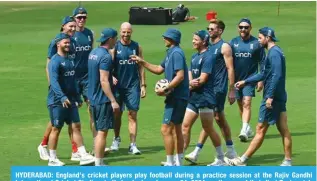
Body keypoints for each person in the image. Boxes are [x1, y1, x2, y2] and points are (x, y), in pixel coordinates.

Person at [226, 27, 292, 166]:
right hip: (279, 96)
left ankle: (242, 160)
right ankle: (287, 161)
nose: (259, 41)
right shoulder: (275, 52)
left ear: (268, 38)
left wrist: (269, 96)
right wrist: (246, 81)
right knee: (283, 128)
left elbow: (276, 76)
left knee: (260, 129)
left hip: (272, 97)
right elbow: (264, 73)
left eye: (260, 38)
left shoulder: (274, 54)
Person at [130, 28, 189, 166]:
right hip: (177, 96)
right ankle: (178, 162)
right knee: (177, 128)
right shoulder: (171, 53)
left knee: (166, 129)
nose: (163, 39)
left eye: (166, 37)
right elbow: (158, 69)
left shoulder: (177, 54)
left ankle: (171, 162)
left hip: (176, 97)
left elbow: (180, 76)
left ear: (172, 39)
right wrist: (141, 61)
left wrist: (167, 88)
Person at [185, 19, 237, 165]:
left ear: (220, 31)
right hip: (207, 89)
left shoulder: (224, 46)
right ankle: (227, 151)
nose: (209, 30)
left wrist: (232, 90)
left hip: (218, 89)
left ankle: (225, 151)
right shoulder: (208, 48)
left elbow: (230, 68)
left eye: (213, 28)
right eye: (208, 28)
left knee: (216, 119)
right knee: (213, 120)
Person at [47, 33, 94, 166]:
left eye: (68, 43)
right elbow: (54, 82)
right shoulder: (54, 62)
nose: (68, 45)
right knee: (56, 128)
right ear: (58, 44)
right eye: (65, 43)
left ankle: (83, 154)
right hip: (57, 101)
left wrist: (77, 96)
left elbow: (73, 80)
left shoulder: (70, 60)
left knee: (76, 126)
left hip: (71, 100)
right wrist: (62, 97)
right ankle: (52, 158)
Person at [38, 16, 80, 161]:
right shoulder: (56, 42)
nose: (73, 29)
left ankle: (75, 150)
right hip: (59, 88)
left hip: (71, 83)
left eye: (74, 26)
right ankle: (44, 144)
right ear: (63, 26)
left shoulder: (72, 41)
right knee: (57, 119)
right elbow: (50, 65)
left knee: (71, 119)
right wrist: (55, 88)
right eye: (70, 26)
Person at [108, 22, 146, 154]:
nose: (125, 34)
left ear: (131, 32)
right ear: (120, 32)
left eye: (128, 32)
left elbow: (141, 67)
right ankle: (116, 139)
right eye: (123, 32)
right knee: (116, 114)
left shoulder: (137, 47)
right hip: (117, 87)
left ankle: (133, 144)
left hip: (132, 86)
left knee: (132, 114)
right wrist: (111, 77)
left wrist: (143, 85)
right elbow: (108, 66)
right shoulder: (114, 47)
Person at [229, 18, 265, 142]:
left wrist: (261, 80)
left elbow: (262, 62)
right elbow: (228, 62)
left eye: (246, 27)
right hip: (237, 80)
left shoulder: (257, 43)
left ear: (250, 28)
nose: (243, 29)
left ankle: (244, 130)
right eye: (241, 27)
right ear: (238, 28)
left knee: (247, 102)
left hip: (250, 78)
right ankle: (247, 128)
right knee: (240, 104)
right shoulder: (233, 43)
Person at [88, 28, 119, 166]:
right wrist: (113, 100)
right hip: (102, 99)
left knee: (97, 128)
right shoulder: (105, 56)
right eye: (115, 38)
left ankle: (98, 161)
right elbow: (104, 80)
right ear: (110, 39)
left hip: (93, 98)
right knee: (102, 132)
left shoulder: (93, 53)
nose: (116, 41)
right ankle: (99, 164)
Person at [72, 6, 96, 152]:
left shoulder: (90, 34)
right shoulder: (69, 35)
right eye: (79, 17)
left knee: (92, 109)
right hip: (73, 79)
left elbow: (93, 54)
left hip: (88, 78)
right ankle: (75, 149)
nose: (82, 19)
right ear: (74, 18)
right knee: (73, 114)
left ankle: (96, 144)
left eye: (84, 17)